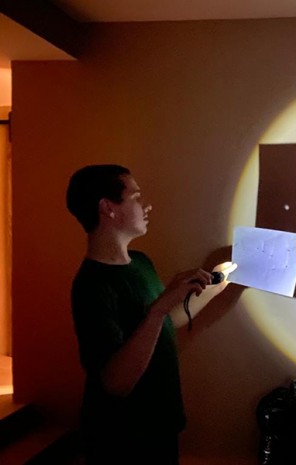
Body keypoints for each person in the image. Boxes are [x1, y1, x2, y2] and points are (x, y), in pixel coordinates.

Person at [65, 164, 237, 465]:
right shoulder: (91, 285)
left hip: (159, 424)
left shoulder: (140, 262)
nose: (146, 206)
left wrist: (218, 284)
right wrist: (159, 308)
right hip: (121, 436)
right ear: (108, 208)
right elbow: (116, 383)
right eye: (135, 197)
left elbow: (166, 324)